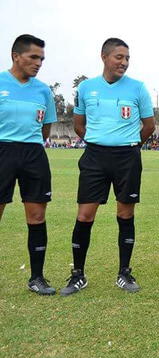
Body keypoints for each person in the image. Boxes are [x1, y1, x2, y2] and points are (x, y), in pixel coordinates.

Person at [60, 38, 155, 296]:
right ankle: (78, 274)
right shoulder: (87, 87)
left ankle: (124, 272)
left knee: (125, 214)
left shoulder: (138, 88)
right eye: (119, 57)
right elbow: (79, 124)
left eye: (127, 58)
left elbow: (149, 126)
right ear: (104, 56)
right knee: (84, 215)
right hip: (94, 157)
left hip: (127, 158)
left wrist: (131, 146)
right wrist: (98, 141)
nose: (123, 62)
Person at [0, 34, 57, 295]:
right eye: (33, 57)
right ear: (16, 56)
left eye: (42, 58)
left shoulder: (43, 90)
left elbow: (45, 129)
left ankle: (37, 277)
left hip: (34, 153)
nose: (39, 63)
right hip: (3, 151)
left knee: (36, 216)